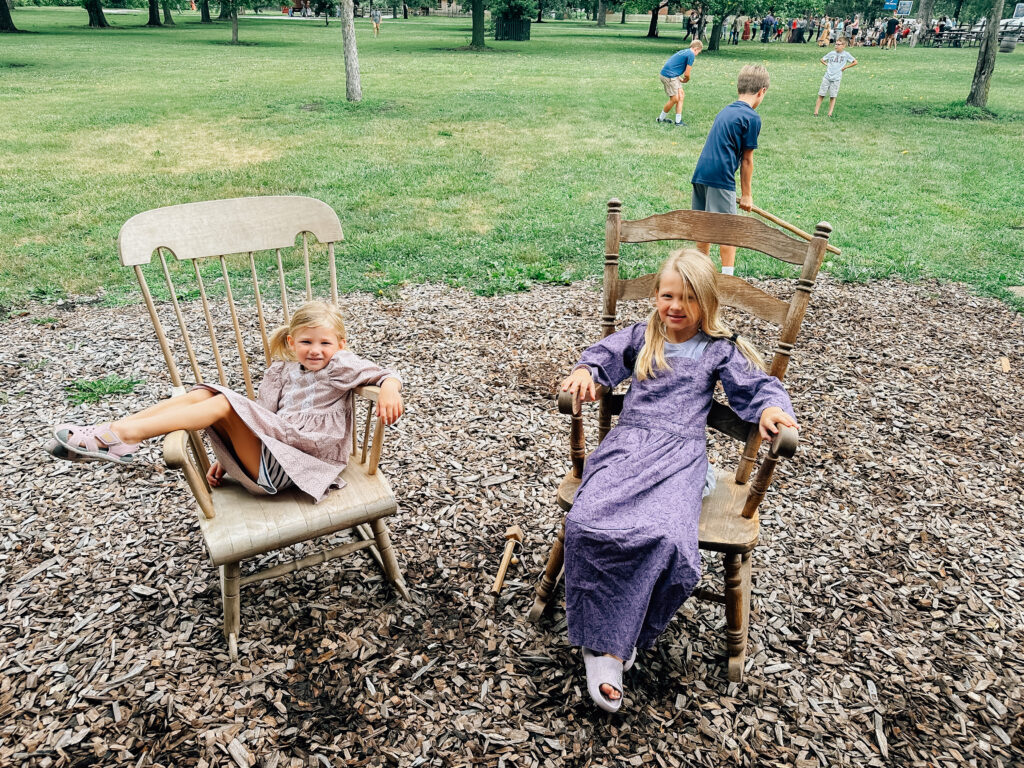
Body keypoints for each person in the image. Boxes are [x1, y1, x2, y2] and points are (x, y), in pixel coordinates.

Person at [560, 249, 798, 713]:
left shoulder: (719, 349)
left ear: (706, 303)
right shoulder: (643, 334)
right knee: (586, 522)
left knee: (668, 538)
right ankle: (604, 638)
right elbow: (601, 357)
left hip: (678, 458)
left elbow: (757, 386)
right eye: (667, 295)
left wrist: (771, 409)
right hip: (627, 449)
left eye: (688, 298)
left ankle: (613, 647)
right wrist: (585, 373)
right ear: (654, 295)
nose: (675, 307)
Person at [45, 302, 404, 503]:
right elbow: (260, 418)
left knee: (224, 403)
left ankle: (123, 435)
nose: (316, 350)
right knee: (206, 392)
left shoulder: (341, 366)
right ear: (292, 342)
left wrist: (389, 387)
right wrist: (228, 458)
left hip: (302, 465)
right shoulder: (280, 373)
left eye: (325, 343)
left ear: (340, 344)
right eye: (307, 342)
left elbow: (386, 373)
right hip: (269, 458)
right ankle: (117, 433)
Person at [690, 64, 768, 275]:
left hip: (701, 173)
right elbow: (747, 160)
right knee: (728, 230)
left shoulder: (726, 110)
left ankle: (698, 273)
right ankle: (727, 279)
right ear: (762, 92)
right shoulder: (751, 118)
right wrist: (747, 195)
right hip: (720, 177)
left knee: (704, 226)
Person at [657, 40, 702, 127]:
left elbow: (674, 65)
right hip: (668, 76)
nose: (697, 54)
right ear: (696, 49)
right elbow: (687, 74)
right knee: (675, 99)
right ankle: (660, 119)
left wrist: (678, 78)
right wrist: (687, 79)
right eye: (698, 52)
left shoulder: (684, 51)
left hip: (672, 75)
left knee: (681, 95)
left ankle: (678, 121)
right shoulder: (691, 54)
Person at [814, 38, 857, 118]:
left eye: (838, 44)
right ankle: (816, 112)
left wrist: (845, 67)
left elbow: (855, 62)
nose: (836, 46)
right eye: (836, 44)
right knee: (821, 94)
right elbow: (822, 59)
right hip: (827, 77)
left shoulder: (846, 55)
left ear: (843, 46)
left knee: (833, 96)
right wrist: (827, 64)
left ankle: (830, 113)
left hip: (836, 78)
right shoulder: (831, 53)